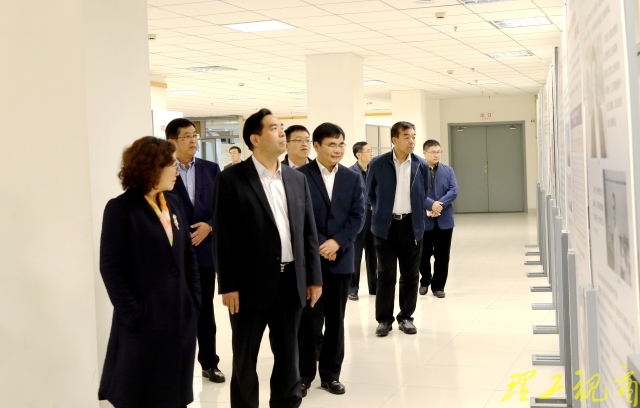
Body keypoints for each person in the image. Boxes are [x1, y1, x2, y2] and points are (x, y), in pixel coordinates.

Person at [211, 108, 323, 408]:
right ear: (255, 139)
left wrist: (313, 277)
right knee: (245, 358)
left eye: (282, 127)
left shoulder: (296, 178)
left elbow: (308, 232)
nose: (282, 133)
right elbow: (223, 236)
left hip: (291, 282)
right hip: (248, 286)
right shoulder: (231, 179)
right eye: (274, 128)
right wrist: (228, 285)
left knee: (289, 356)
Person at [98, 136, 200, 408]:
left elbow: (187, 256)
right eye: (171, 164)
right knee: (142, 392)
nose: (176, 170)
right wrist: (133, 313)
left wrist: (193, 299)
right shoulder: (121, 209)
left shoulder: (174, 203)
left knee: (174, 390)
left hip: (180, 315)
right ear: (153, 167)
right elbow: (111, 267)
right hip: (145, 318)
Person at [297, 123, 365, 397]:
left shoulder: (352, 178)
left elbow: (358, 216)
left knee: (336, 321)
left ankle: (330, 375)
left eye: (341, 145)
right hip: (310, 262)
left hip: (341, 259)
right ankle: (303, 375)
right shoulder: (300, 176)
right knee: (309, 322)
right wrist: (321, 244)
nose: (337, 150)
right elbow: (298, 217)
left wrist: (337, 242)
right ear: (316, 146)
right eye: (331, 145)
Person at [164, 118, 225, 382]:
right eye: (187, 136)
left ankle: (209, 362)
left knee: (204, 310)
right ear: (172, 141)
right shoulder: (163, 171)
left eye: (194, 136)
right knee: (176, 310)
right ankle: (176, 364)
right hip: (174, 253)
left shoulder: (211, 169)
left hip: (204, 252)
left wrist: (209, 226)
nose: (193, 140)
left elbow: (223, 206)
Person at [366, 121, 429, 337]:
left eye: (414, 136)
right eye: (406, 137)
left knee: (410, 275)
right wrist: (382, 213)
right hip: (385, 227)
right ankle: (384, 320)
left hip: (412, 226)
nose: (412, 141)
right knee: (386, 275)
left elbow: (424, 193)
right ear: (394, 139)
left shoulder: (420, 165)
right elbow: (370, 194)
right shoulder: (378, 164)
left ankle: (406, 317)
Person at [419, 140, 458, 298]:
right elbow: (415, 192)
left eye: (438, 152)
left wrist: (439, 205)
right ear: (425, 153)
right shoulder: (417, 171)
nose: (436, 155)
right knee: (423, 254)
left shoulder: (448, 170)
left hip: (444, 220)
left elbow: (454, 191)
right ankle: (425, 279)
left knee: (442, 256)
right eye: (433, 152)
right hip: (423, 221)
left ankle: (438, 286)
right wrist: (430, 204)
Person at [348, 141, 377, 300]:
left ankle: (374, 287)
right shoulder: (350, 173)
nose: (371, 153)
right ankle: (352, 289)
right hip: (359, 217)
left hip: (374, 215)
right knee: (356, 255)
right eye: (368, 151)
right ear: (358, 154)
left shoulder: (375, 171)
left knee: (373, 254)